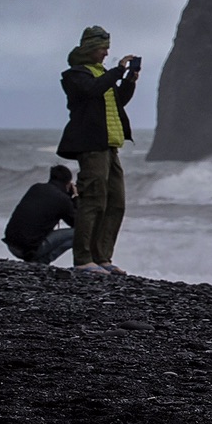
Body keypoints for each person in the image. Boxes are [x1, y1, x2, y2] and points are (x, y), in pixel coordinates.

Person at [56, 24, 141, 276]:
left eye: (108, 49)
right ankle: (83, 259)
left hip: (110, 146)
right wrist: (116, 71)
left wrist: (128, 81)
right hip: (91, 146)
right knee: (93, 201)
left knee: (116, 202)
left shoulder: (102, 73)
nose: (106, 53)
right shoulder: (75, 75)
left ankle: (102, 257)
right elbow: (93, 91)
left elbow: (117, 102)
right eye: (103, 48)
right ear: (91, 48)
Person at [3, 164, 78, 265]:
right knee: (79, 233)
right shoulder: (63, 199)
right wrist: (75, 198)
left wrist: (68, 197)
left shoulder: (36, 188)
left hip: (12, 245)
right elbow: (76, 223)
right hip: (28, 250)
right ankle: (42, 262)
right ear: (68, 183)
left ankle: (36, 261)